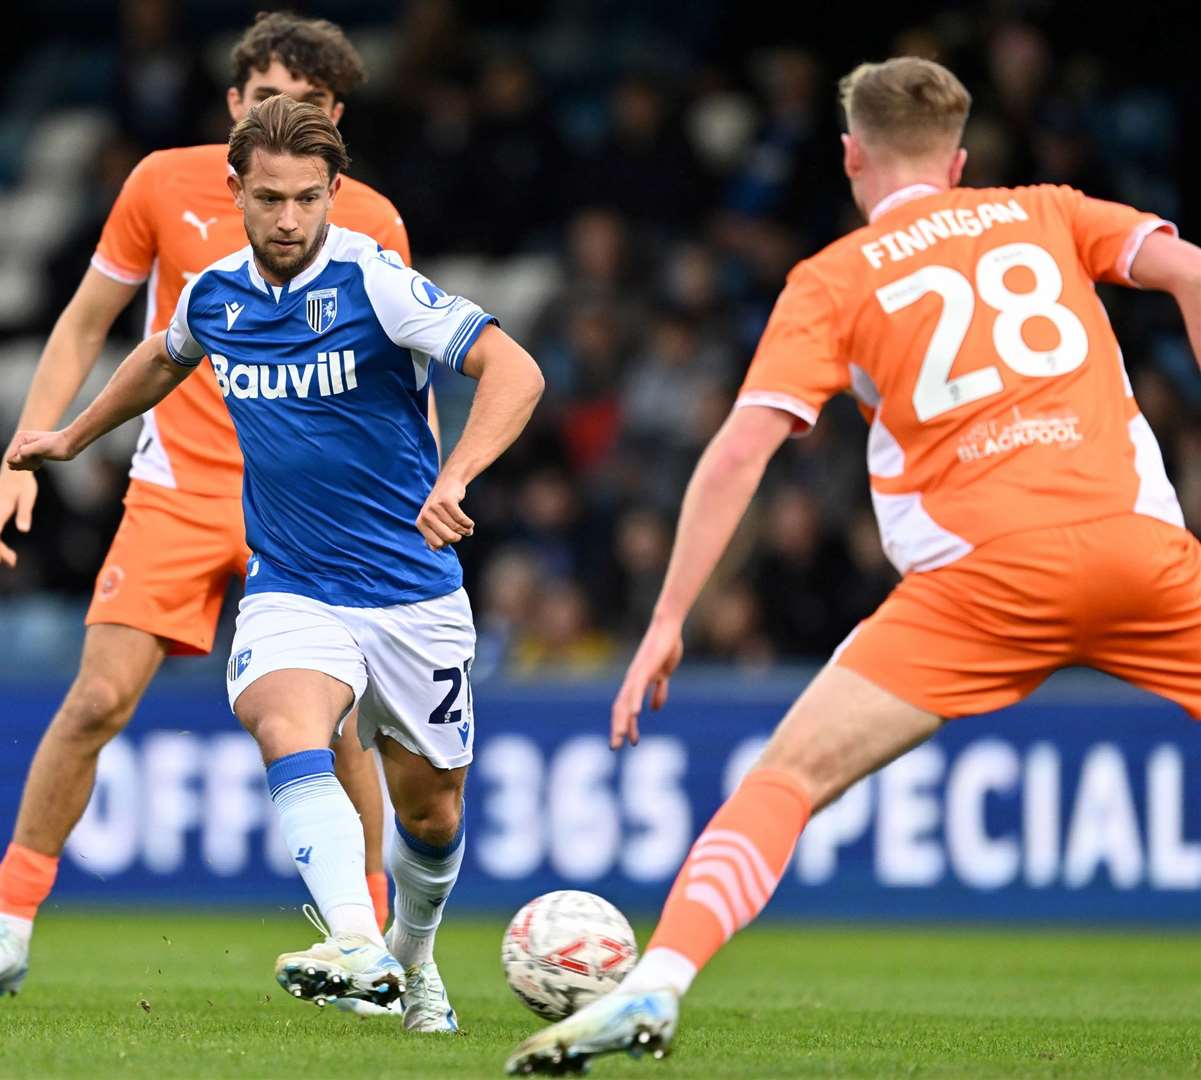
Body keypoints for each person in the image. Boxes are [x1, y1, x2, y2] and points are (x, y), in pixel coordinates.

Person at [506, 56, 1201, 1074]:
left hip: (985, 577)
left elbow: (743, 447)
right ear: (959, 161)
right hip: (1144, 553)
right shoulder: (1044, 211)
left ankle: (654, 985)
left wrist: (667, 617)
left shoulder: (832, 277)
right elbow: (1187, 268)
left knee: (787, 778)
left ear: (848, 155)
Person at [7, 96, 544, 1030]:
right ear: (237, 193)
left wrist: (455, 474)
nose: (289, 219)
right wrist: (73, 435)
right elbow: (163, 355)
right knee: (282, 720)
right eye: (269, 199)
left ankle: (411, 960)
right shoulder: (215, 294)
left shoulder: (377, 284)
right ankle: (354, 939)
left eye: (306, 198)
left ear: (335, 192)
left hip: (412, 594)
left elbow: (517, 370)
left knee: (433, 817)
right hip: (293, 582)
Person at [0, 13, 416, 1008]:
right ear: (235, 102)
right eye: (272, 98)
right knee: (98, 698)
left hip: (312, 503)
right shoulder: (161, 183)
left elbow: (400, 383)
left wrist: (416, 496)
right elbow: (84, 325)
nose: (289, 119)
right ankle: (8, 930)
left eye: (312, 108)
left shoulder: (372, 217)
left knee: (339, 729)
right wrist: (27, 451)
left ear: (337, 119)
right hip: (179, 486)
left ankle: (374, 953)